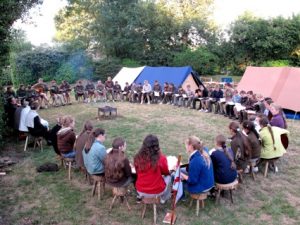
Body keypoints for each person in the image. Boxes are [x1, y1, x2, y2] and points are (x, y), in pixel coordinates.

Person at [134, 134, 171, 203]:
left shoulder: (137, 157)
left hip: (140, 189)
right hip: (157, 191)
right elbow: (166, 172)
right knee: (169, 176)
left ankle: (139, 197)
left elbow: (137, 172)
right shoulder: (161, 158)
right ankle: (164, 198)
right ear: (156, 146)